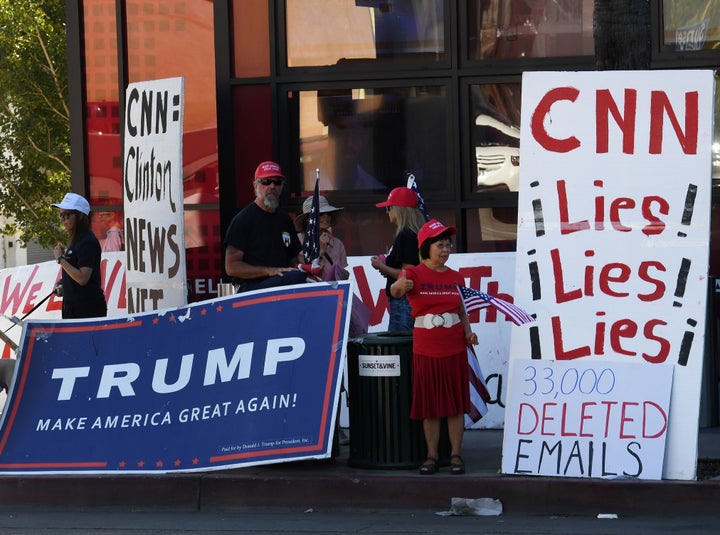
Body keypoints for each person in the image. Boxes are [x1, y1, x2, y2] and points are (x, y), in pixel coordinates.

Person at [390, 219, 478, 476]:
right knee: (429, 405)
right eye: (440, 245)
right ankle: (431, 455)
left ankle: (456, 455)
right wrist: (399, 287)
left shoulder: (456, 276)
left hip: (454, 346)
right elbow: (396, 291)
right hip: (426, 347)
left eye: (448, 245)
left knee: (455, 404)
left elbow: (461, 310)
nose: (445, 250)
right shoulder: (413, 273)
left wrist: (469, 333)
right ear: (426, 247)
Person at [224, 161, 307, 293]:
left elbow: (294, 260)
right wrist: (269, 271)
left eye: (277, 182)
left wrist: (315, 262)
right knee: (296, 277)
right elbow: (231, 267)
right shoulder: (243, 220)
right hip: (250, 288)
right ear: (255, 185)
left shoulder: (285, 219)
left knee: (308, 278)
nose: (272, 186)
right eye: (266, 182)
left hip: (281, 283)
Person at [371, 187, 425, 332]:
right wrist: (387, 268)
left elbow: (407, 276)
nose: (387, 212)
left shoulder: (406, 235)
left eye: (389, 207)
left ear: (399, 209)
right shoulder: (416, 234)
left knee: (399, 349)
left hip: (404, 301)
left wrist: (380, 266)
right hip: (410, 300)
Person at [51, 192, 107, 319]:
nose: (62, 219)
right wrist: (63, 284)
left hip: (87, 309)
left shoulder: (88, 241)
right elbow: (75, 274)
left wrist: (60, 260)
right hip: (72, 308)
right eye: (60, 215)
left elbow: (83, 278)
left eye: (65, 215)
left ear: (80, 216)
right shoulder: (76, 240)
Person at [294, 195, 348, 281]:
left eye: (329, 213)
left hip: (335, 291)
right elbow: (301, 271)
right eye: (321, 214)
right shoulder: (298, 241)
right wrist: (321, 251)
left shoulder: (338, 244)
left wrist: (343, 273)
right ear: (308, 219)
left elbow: (342, 273)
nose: (326, 216)